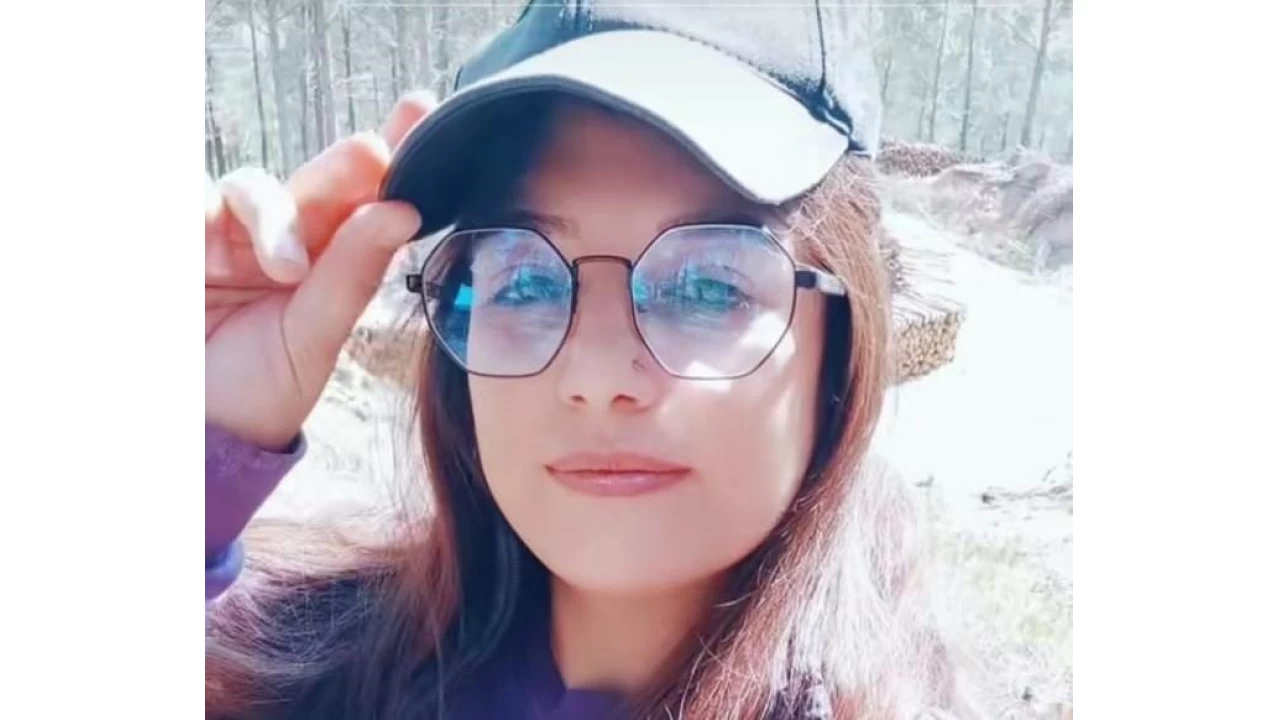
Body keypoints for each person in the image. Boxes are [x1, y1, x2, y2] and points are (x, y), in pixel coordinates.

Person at [205, 2, 982, 718]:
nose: (596, 378)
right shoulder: (285, 669)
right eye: (526, 281)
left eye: (708, 287)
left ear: (840, 346)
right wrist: (207, 431)